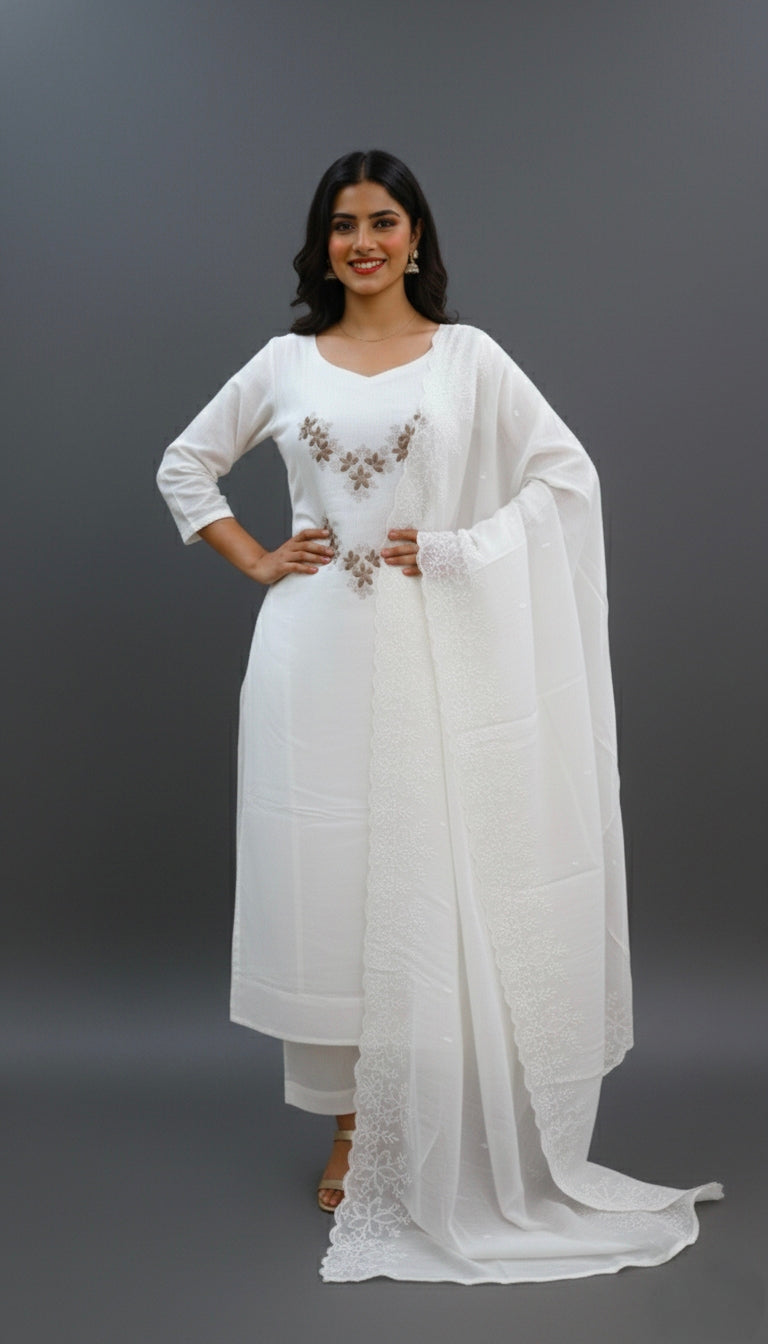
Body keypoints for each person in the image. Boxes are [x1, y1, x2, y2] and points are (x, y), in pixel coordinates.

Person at [156, 149, 721, 1284]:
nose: (362, 242)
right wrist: (258, 557)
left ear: (416, 236)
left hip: (429, 656)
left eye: (383, 221)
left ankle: (433, 1114)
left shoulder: (471, 360)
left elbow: (566, 480)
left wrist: (464, 549)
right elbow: (185, 465)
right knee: (328, 880)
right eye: (343, 224)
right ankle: (351, 1125)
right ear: (322, 244)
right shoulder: (284, 362)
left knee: (426, 869)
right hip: (312, 659)